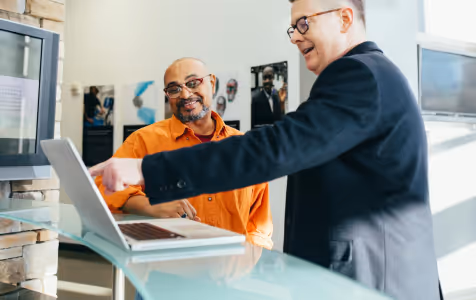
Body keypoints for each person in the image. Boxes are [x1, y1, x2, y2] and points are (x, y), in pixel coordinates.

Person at [90, 1, 441, 299]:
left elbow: (274, 149)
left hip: (369, 281)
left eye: (304, 23)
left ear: (345, 19)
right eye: (292, 28)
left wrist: (147, 170)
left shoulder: (358, 75)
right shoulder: (373, 74)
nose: (297, 36)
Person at [94, 57, 273, 250]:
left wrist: (249, 262)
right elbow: (102, 187)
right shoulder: (143, 141)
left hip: (232, 271)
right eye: (174, 89)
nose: (185, 94)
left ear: (212, 83)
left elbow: (259, 224)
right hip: (168, 268)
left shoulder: (244, 147)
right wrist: (150, 205)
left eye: (193, 83)